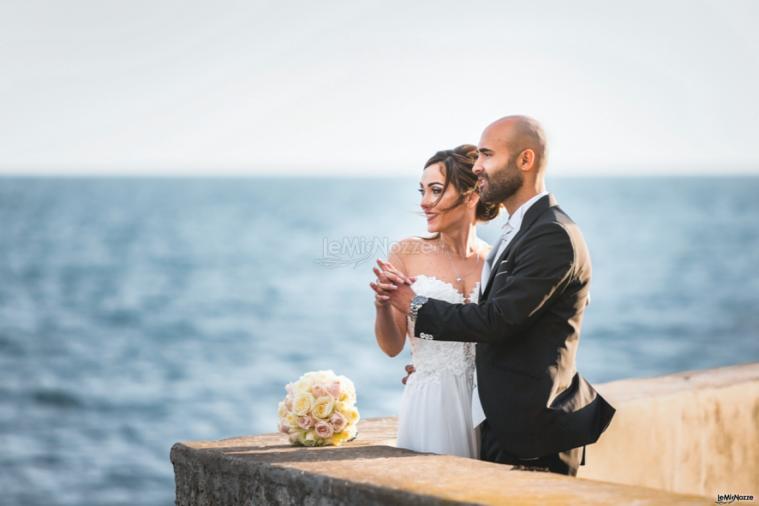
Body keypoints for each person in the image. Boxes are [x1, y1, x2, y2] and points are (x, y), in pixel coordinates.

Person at [375, 115, 616, 476]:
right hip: (484, 418)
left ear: (525, 160)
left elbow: (499, 320)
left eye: (487, 155)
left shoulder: (551, 234)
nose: (478, 166)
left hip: (533, 430)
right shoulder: (518, 232)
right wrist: (435, 370)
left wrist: (414, 305)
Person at [370, 144, 500, 458]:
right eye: (423, 191)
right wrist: (383, 306)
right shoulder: (406, 253)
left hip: (488, 407)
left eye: (436, 191)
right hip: (430, 402)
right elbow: (391, 348)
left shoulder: (494, 259)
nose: (425, 203)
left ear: (471, 195)